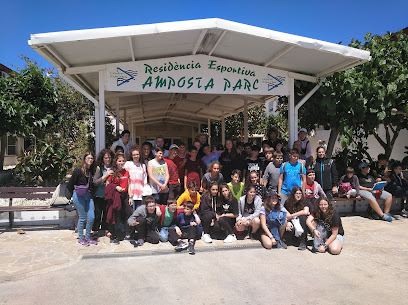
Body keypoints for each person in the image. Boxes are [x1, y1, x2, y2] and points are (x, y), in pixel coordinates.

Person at [67, 152, 96, 246]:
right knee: (82, 217)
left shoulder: (92, 170)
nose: (90, 160)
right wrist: (70, 196)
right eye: (88, 158)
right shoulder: (78, 170)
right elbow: (71, 183)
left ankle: (87, 236)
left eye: (92, 158)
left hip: (88, 195)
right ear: (84, 159)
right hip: (79, 195)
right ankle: (81, 237)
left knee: (91, 216)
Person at [106, 153, 134, 242]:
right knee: (116, 216)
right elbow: (107, 185)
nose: (121, 163)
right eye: (119, 161)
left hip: (125, 195)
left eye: (123, 161)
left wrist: (130, 197)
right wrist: (115, 187)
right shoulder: (112, 172)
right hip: (115, 197)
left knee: (128, 213)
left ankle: (127, 233)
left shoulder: (126, 172)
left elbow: (129, 185)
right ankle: (115, 235)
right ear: (116, 162)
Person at [92, 149, 114, 237]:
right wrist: (106, 175)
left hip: (108, 195)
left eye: (109, 157)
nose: (108, 159)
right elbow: (96, 182)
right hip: (98, 195)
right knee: (97, 214)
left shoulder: (113, 168)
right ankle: (95, 230)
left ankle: (106, 229)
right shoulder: (99, 168)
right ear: (102, 158)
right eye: (106, 158)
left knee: (106, 214)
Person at [284, 186, 309, 250]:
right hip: (292, 221)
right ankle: (292, 239)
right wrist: (287, 222)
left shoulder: (305, 201)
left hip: (302, 221)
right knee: (289, 226)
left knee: (303, 217)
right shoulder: (287, 202)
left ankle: (303, 241)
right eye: (296, 194)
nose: (298, 195)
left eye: (300, 193)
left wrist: (292, 215)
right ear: (293, 194)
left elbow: (305, 212)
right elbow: (285, 214)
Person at [124, 147, 147, 211]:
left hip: (140, 194)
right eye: (134, 155)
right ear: (131, 156)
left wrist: (145, 192)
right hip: (131, 193)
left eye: (137, 154)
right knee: (131, 213)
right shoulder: (128, 164)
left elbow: (145, 180)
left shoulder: (143, 166)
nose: (136, 156)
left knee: (139, 214)